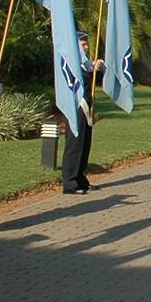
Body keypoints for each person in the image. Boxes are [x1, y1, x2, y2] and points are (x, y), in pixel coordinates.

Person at [61, 31, 102, 194]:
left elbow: (93, 69)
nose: (86, 47)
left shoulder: (84, 63)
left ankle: (80, 178)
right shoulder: (69, 63)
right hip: (75, 107)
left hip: (86, 106)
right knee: (75, 143)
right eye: (83, 44)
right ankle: (70, 182)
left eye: (86, 44)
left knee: (85, 143)